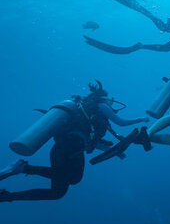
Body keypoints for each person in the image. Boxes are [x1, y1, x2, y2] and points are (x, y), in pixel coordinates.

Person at [0, 81, 148, 202]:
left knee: (57, 192)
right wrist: (140, 119)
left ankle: (8, 196)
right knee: (74, 178)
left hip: (61, 148)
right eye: (111, 102)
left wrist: (113, 152)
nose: (112, 105)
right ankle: (22, 169)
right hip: (72, 147)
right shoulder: (100, 105)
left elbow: (90, 141)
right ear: (104, 99)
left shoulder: (84, 115)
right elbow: (120, 122)